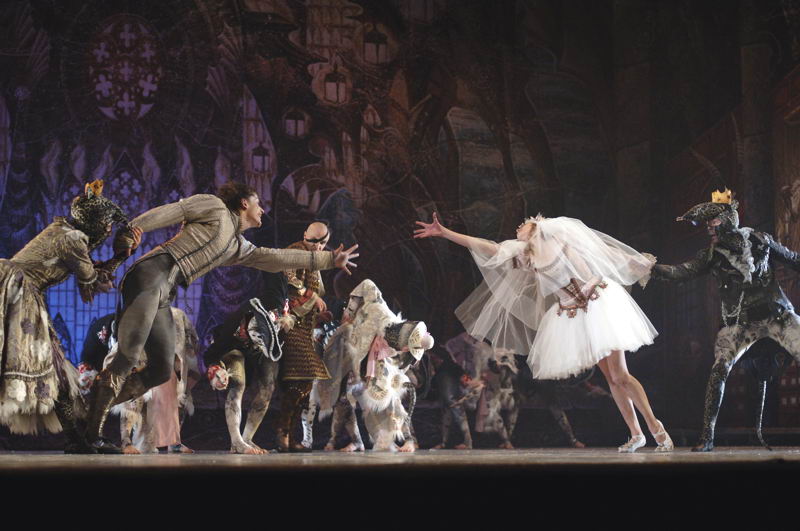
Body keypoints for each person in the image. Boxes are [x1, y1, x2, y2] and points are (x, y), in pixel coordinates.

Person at [84, 182, 358, 453]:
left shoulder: (237, 246)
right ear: (244, 203)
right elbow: (172, 212)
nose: (262, 210)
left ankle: (86, 415)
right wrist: (133, 229)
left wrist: (329, 260)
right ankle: (91, 433)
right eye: (258, 204)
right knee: (127, 358)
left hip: (165, 293)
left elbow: (274, 257)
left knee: (160, 369)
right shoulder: (214, 206)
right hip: (150, 275)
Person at [414, 212, 673, 452]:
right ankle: (636, 433)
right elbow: (489, 248)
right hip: (575, 315)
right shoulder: (526, 256)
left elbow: (594, 267)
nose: (519, 225)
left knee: (620, 376)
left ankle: (655, 426)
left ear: (537, 228)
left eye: (525, 222)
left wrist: (591, 289)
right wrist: (445, 233)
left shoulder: (562, 244)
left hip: (596, 307)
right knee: (612, 379)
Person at [649, 188, 800, 451]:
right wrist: (648, 267)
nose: (710, 227)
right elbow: (680, 272)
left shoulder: (760, 240)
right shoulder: (711, 255)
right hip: (740, 324)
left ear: (729, 219)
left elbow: (793, 259)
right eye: (708, 222)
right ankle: (707, 437)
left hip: (778, 316)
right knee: (719, 370)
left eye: (714, 220)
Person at [0, 180, 138, 452]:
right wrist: (120, 257)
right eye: (106, 224)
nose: (108, 230)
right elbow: (93, 280)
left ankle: (76, 439)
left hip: (18, 290)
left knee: (56, 368)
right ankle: (78, 439)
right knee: (52, 365)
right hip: (18, 293)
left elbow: (89, 271)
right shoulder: (72, 240)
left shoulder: (64, 231)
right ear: (93, 223)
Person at [274, 221, 334, 452]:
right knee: (302, 378)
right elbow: (289, 276)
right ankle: (283, 433)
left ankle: (288, 436)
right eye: (313, 241)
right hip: (290, 324)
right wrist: (312, 296)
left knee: (304, 384)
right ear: (304, 236)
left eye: (322, 243)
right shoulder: (296, 251)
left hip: (306, 328)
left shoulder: (316, 260)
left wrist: (319, 314)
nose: (317, 246)